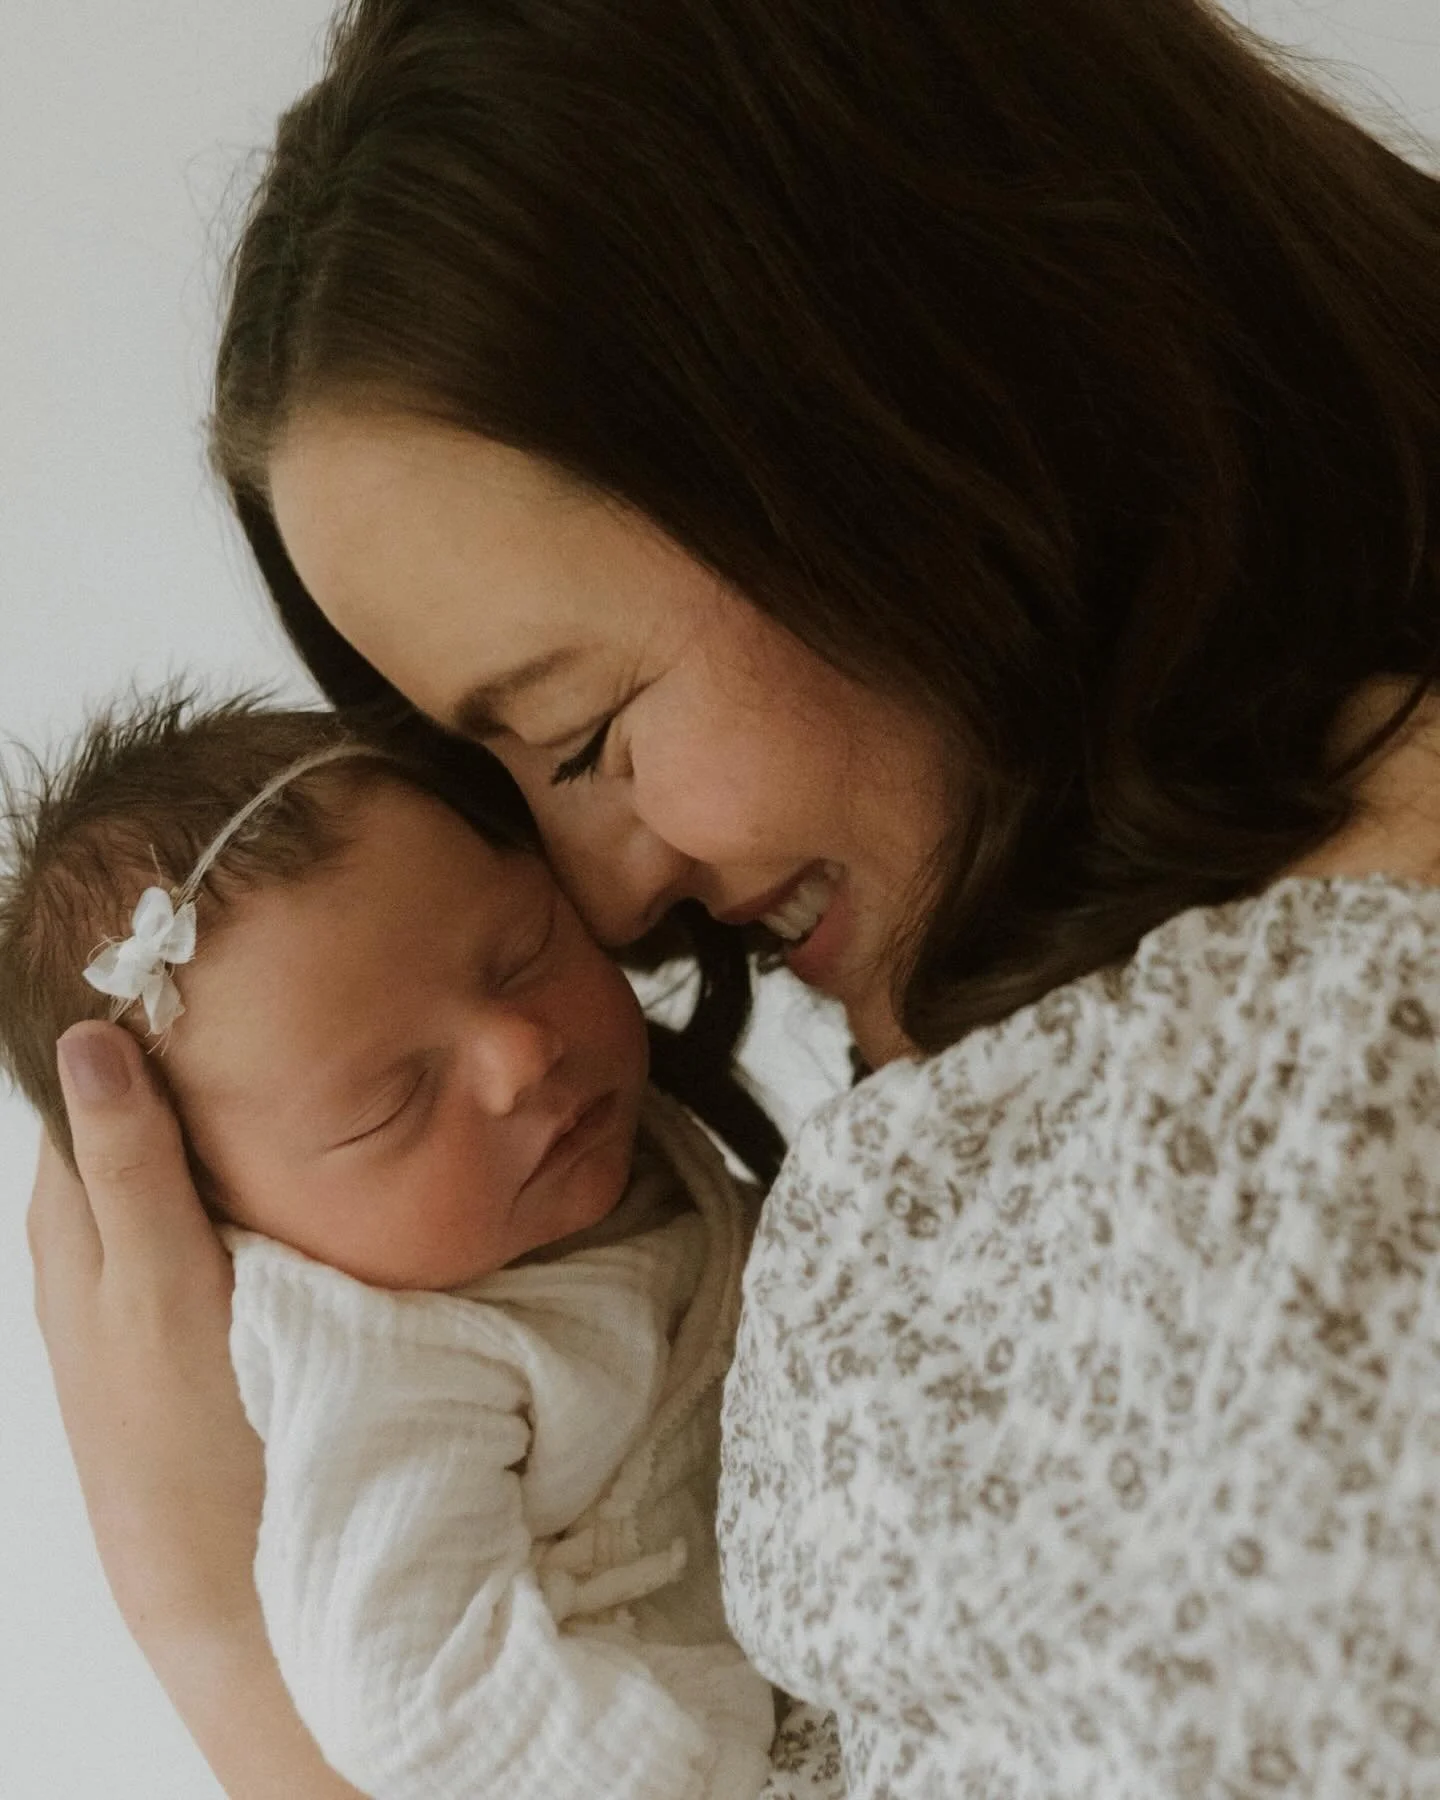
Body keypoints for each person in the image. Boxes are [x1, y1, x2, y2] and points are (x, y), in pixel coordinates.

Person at [25, 0, 1440, 1794]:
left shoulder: (1346, 1056)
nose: (609, 906)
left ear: (931, 401)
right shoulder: (1088, 989)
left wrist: (219, 1646)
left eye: (589, 729)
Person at [1, 692, 790, 1798]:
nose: (521, 1052)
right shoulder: (388, 1363)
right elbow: (414, 1702)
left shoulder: (592, 1171)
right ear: (220, 1220)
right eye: (388, 1105)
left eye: (522, 954)